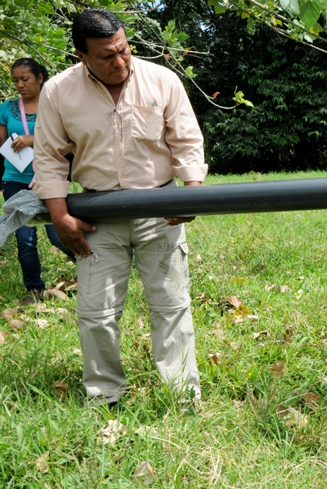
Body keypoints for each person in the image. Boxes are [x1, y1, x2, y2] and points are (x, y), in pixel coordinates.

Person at [33, 9, 207, 407]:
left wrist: (192, 191)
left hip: (159, 210)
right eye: (106, 56)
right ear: (81, 56)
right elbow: (49, 158)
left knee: (172, 306)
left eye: (124, 50)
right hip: (96, 216)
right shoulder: (58, 91)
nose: (119, 62)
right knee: (96, 313)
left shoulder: (162, 80)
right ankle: (104, 396)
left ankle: (182, 397)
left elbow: (186, 140)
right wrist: (59, 215)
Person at [0, 58, 75, 306]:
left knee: (58, 235)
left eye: (25, 79)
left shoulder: (56, 105)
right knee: (25, 239)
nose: (20, 84)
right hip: (15, 181)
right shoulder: (7, 109)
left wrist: (33, 139)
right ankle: (35, 290)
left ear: (40, 78)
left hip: (49, 179)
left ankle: (94, 265)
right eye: (15, 80)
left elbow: (70, 141)